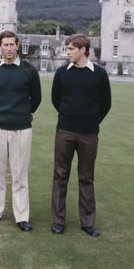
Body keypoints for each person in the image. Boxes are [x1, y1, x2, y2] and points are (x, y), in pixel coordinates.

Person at [50, 33, 111, 237]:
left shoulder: (99, 74)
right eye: (67, 49)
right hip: (65, 130)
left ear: (83, 50)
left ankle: (87, 223)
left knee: (86, 178)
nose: (67, 53)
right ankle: (58, 221)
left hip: (89, 134)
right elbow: (56, 100)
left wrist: (92, 120)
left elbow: (106, 103)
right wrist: (69, 116)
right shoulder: (61, 73)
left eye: (71, 49)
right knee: (60, 176)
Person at [0, 30, 41, 232]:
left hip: (22, 129)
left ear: (17, 46)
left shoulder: (29, 71)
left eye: (11, 45)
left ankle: (21, 216)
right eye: (4, 45)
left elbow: (36, 99)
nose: (8, 48)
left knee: (19, 175)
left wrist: (21, 113)